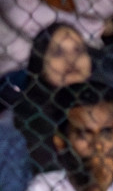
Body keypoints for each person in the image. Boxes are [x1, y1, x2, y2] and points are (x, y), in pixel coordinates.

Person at [11, 21, 92, 171]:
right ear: (40, 63)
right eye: (58, 53)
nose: (71, 60)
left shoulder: (105, 103)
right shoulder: (28, 115)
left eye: (78, 51)